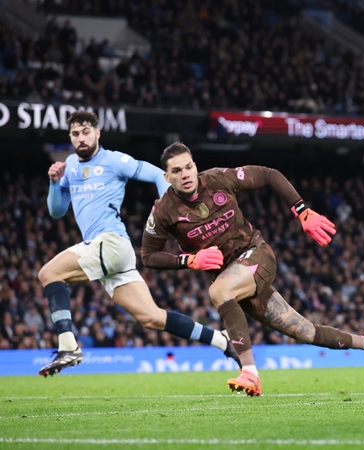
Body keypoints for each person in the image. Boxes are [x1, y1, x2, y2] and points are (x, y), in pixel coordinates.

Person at [141, 143, 364, 397]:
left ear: (195, 166)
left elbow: (268, 174)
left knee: (219, 291)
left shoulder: (219, 179)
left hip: (256, 255)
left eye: (188, 167)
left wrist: (303, 211)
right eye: (176, 171)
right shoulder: (163, 211)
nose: (185, 174)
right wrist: (189, 261)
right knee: (305, 331)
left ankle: (250, 373)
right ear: (166, 176)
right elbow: (148, 256)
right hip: (234, 280)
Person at [39, 111, 238, 377]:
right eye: (75, 133)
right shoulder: (70, 166)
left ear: (97, 133)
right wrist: (54, 184)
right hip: (109, 252)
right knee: (152, 318)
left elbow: (158, 175)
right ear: (71, 138)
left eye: (86, 131)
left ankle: (68, 346)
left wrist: (172, 212)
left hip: (109, 242)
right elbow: (56, 211)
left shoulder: (115, 160)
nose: (81, 138)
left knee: (48, 273)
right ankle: (222, 340)